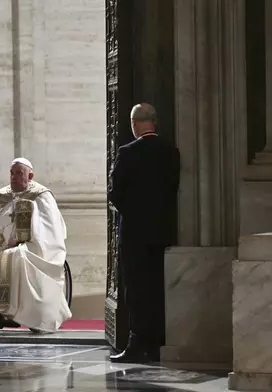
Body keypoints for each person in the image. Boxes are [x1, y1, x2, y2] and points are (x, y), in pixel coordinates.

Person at [0, 158, 71, 332]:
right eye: (12, 173)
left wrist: (19, 240)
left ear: (30, 175)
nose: (14, 177)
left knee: (13, 256)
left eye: (19, 173)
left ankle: (6, 312)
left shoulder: (41, 195)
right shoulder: (2, 195)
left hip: (30, 246)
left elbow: (49, 231)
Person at [108, 104, 180, 363]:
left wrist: (135, 214)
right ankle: (159, 343)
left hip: (135, 234)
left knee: (137, 289)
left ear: (133, 124)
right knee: (159, 286)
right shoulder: (170, 152)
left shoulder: (128, 152)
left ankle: (138, 344)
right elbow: (174, 189)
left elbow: (115, 194)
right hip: (163, 231)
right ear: (155, 122)